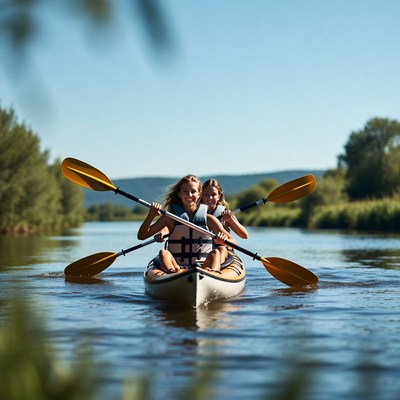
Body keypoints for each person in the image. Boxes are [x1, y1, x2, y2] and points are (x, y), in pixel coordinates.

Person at [137, 175, 233, 273]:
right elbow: (141, 236)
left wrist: (224, 240)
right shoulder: (170, 218)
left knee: (216, 252)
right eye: (185, 191)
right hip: (177, 265)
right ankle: (172, 272)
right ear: (179, 194)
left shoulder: (209, 219)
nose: (189, 195)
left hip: (203, 265)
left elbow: (232, 241)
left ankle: (212, 273)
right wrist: (151, 215)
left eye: (193, 191)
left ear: (199, 194)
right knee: (163, 253)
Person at [201, 178, 248, 264]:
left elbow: (244, 235)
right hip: (202, 252)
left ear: (219, 196)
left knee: (221, 250)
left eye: (213, 194)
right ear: (201, 195)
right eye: (206, 194)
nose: (210, 198)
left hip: (223, 251)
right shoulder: (197, 214)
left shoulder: (225, 213)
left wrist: (230, 220)